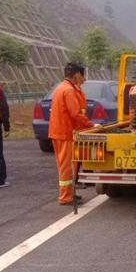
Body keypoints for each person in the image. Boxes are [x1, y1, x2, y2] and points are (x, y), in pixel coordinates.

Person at [49, 63, 95, 205]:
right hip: (65, 133)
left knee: (67, 165)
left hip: (62, 132)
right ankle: (65, 197)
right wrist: (91, 125)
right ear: (76, 75)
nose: (84, 79)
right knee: (67, 166)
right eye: (83, 76)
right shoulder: (68, 91)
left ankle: (69, 193)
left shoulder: (63, 88)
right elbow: (75, 113)